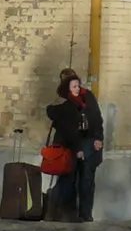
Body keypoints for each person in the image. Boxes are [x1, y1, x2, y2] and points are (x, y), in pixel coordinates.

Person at [45, 68, 104, 222]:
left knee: (86, 180)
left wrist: (98, 138)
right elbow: (56, 117)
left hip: (87, 143)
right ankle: (64, 213)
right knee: (68, 179)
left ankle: (85, 214)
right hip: (70, 145)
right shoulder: (64, 101)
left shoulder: (86, 96)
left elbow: (97, 118)